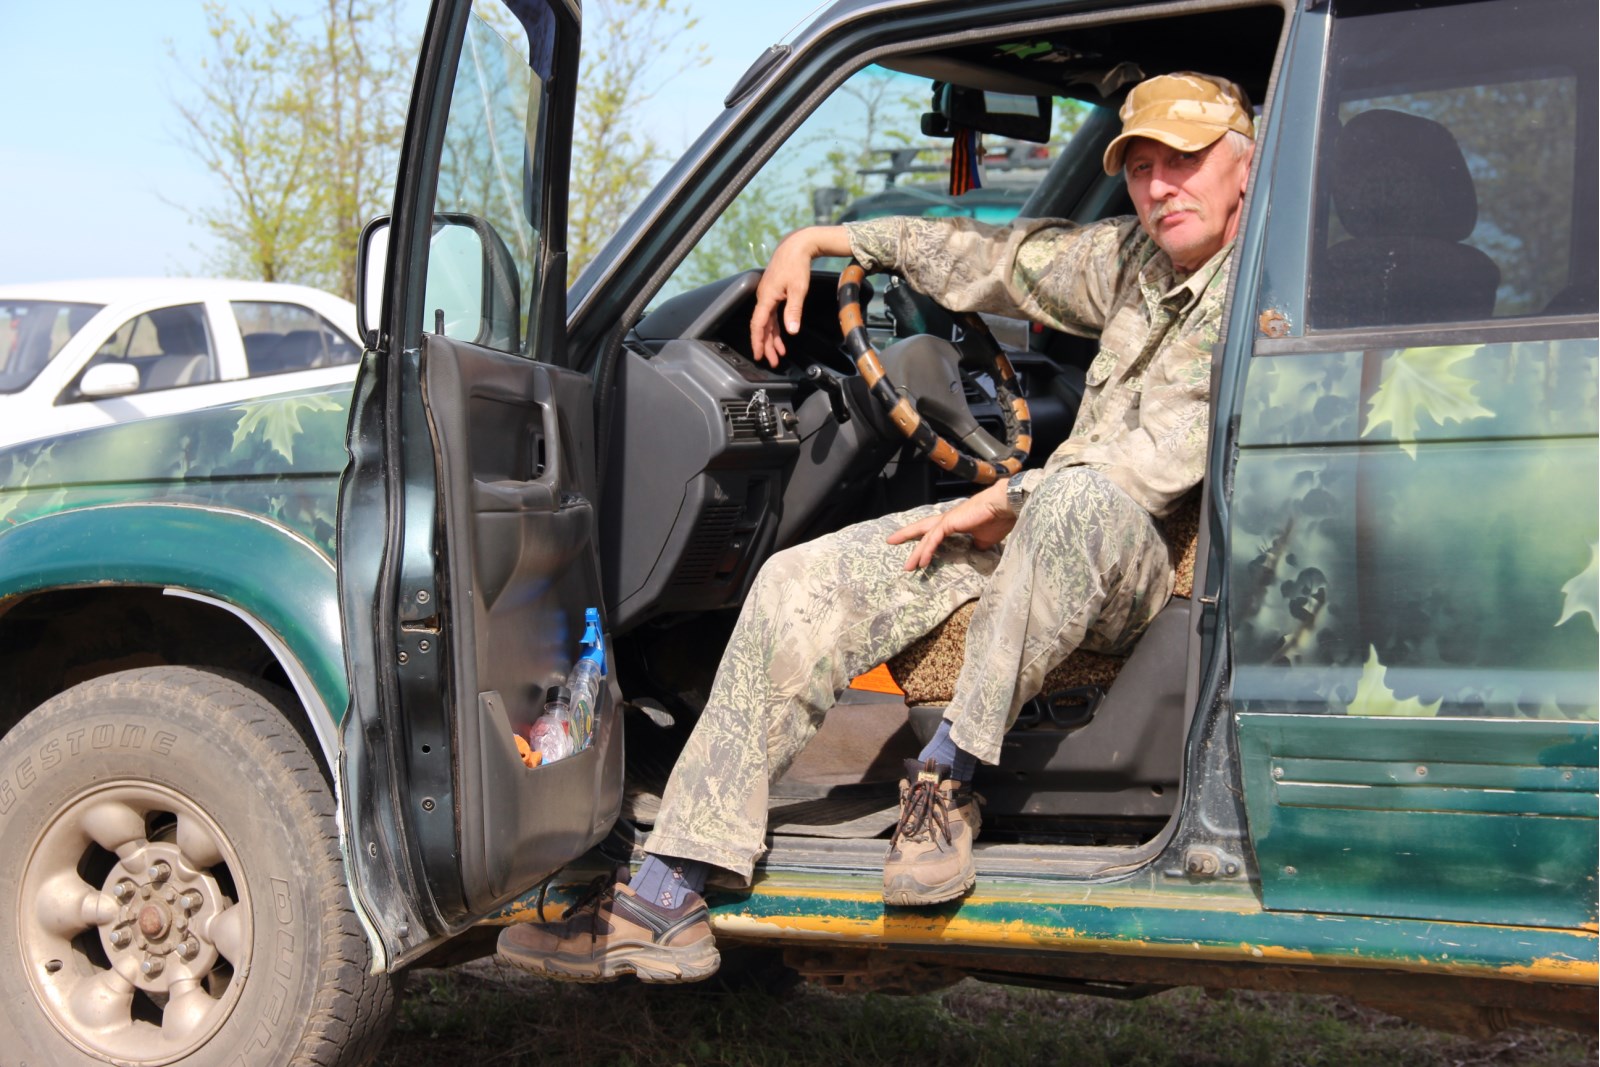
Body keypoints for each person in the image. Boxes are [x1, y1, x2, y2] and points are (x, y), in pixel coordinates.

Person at [498, 71, 1256, 983]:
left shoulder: (1261, 283)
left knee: (1072, 500)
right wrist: (829, 239)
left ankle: (947, 777)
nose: (1159, 186)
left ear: (1246, 166)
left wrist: (1007, 501)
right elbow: (994, 257)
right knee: (800, 580)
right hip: (1038, 519)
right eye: (1139, 167)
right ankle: (669, 886)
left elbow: (1152, 460)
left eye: (1184, 160)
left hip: (1131, 545)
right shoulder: (1135, 259)